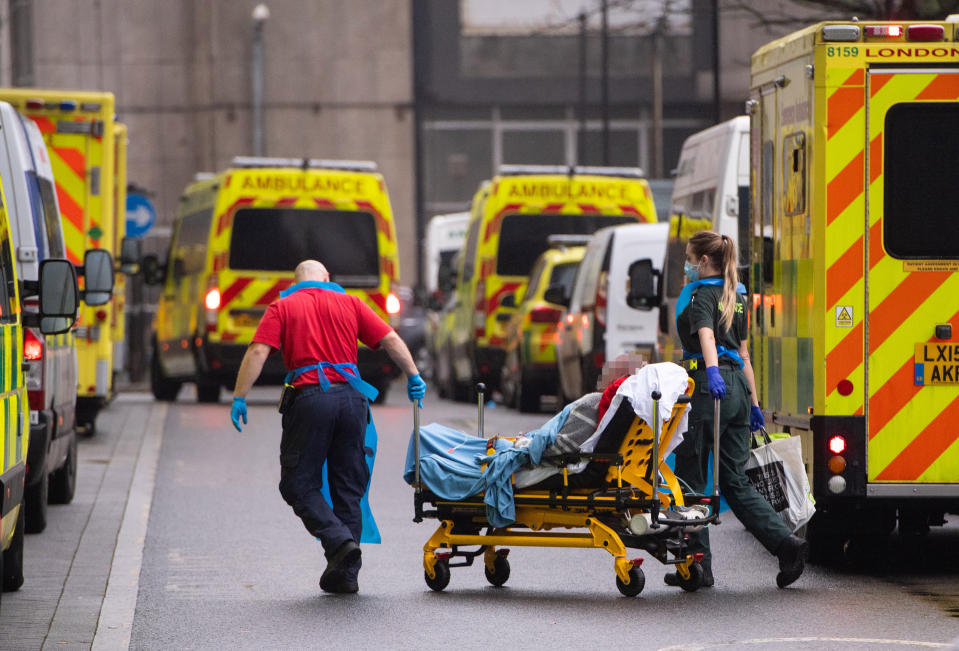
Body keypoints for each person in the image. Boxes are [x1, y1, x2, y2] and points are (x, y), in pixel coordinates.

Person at [230, 260, 426, 594]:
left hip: (310, 399)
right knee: (347, 488)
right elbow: (391, 337)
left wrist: (239, 396)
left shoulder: (283, 305)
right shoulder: (350, 302)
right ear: (327, 279)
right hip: (353, 402)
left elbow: (259, 349)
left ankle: (339, 546)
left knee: (298, 484)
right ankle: (345, 572)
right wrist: (414, 375)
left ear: (295, 282)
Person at [666, 231, 807, 589]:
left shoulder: (701, 294)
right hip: (739, 392)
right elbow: (743, 354)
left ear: (702, 261)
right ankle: (786, 544)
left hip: (707, 390)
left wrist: (711, 372)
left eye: (688, 258)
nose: (686, 265)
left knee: (692, 478)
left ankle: (697, 567)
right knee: (734, 479)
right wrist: (754, 403)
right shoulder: (736, 297)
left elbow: (707, 338)